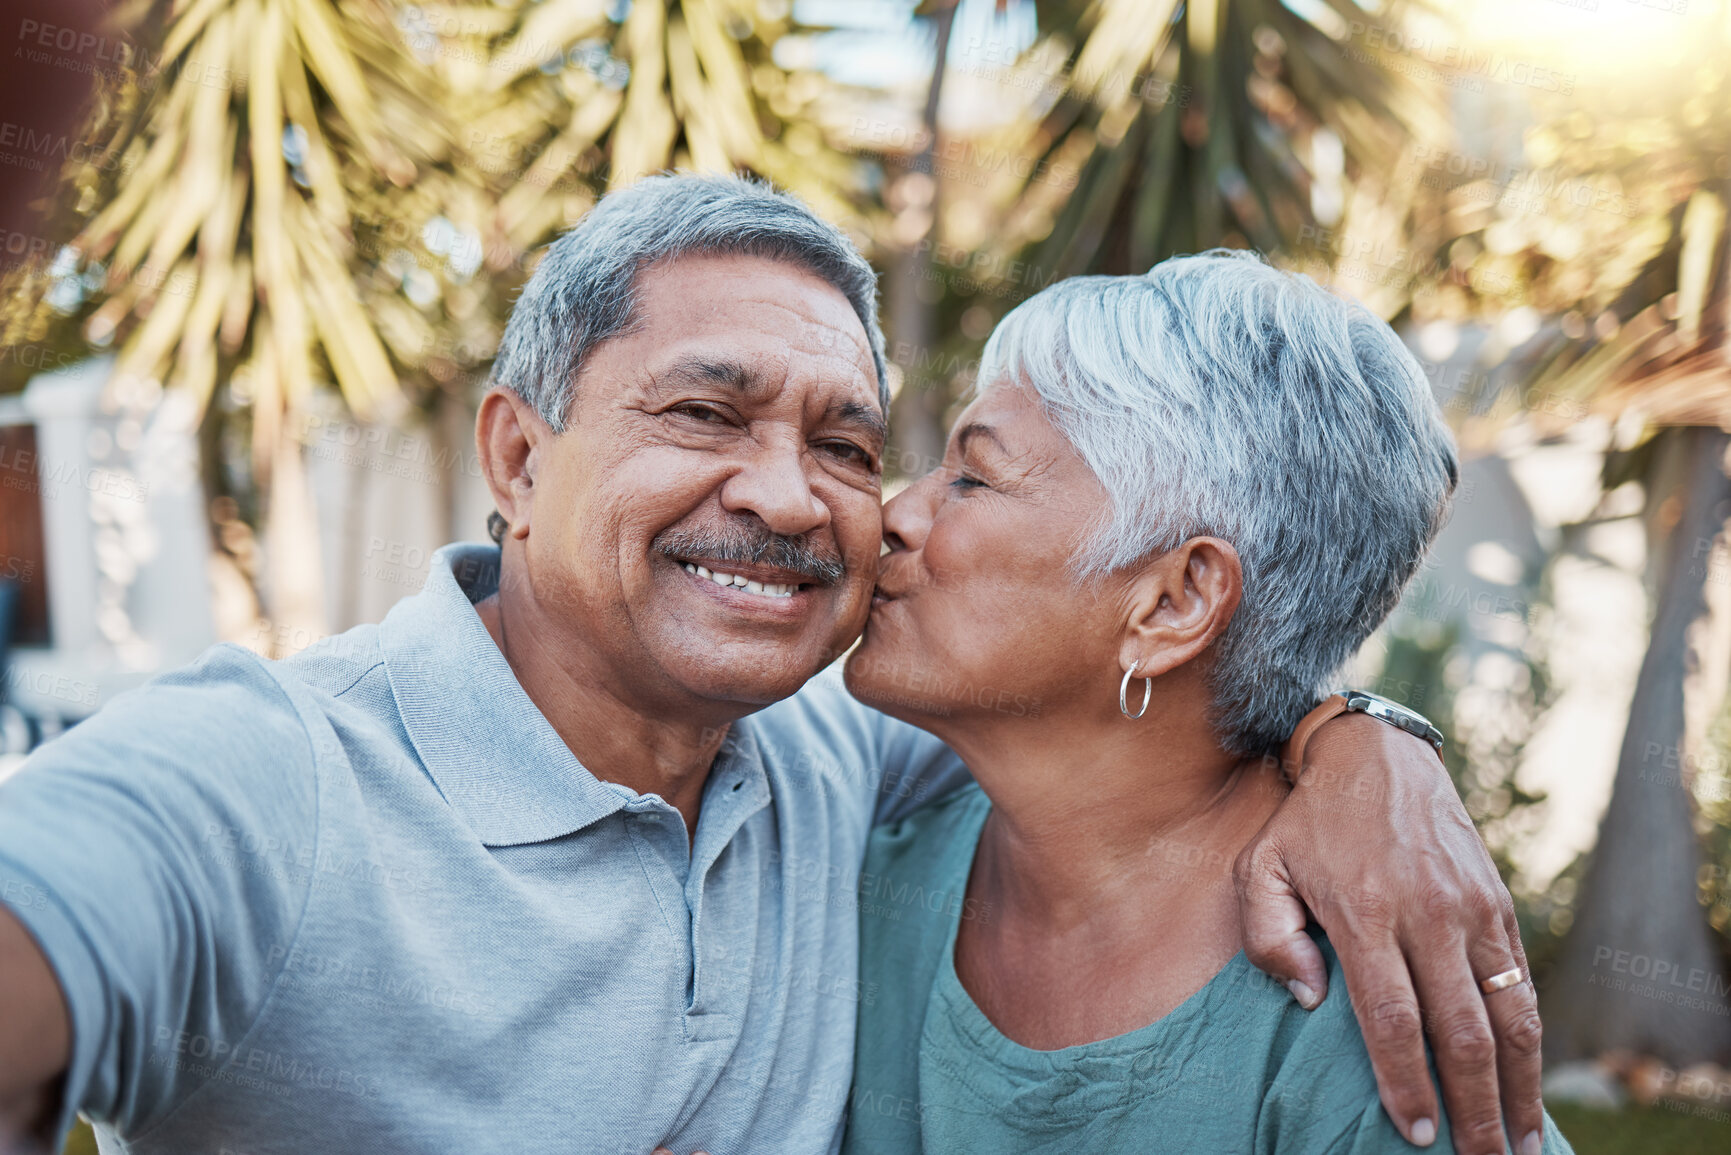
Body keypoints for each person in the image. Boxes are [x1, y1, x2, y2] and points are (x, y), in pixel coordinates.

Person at [0, 177, 1536, 1155]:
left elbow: (1157, 734)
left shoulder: (836, 761)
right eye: (703, 413)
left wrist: (1358, 741)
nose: (811, 502)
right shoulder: (268, 776)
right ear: (517, 456)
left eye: (854, 445)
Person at [842, 255, 1567, 1155]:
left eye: (973, 478)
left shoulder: (1362, 1022)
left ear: (1174, 603)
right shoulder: (849, 875)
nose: (892, 517)